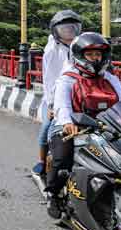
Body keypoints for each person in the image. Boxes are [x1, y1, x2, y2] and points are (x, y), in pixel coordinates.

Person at [45, 32, 121, 218]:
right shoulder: (67, 78)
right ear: (79, 55)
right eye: (90, 54)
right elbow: (62, 106)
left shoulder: (110, 79)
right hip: (72, 127)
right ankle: (53, 194)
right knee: (63, 158)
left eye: (98, 54)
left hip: (104, 128)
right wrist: (67, 122)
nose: (95, 58)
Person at [32, 10, 83, 176]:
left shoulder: (80, 46)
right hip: (54, 96)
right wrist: (52, 105)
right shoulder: (52, 50)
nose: (68, 32)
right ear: (56, 31)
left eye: (72, 27)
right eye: (64, 29)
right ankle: (41, 161)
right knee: (47, 128)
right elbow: (49, 79)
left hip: (78, 94)